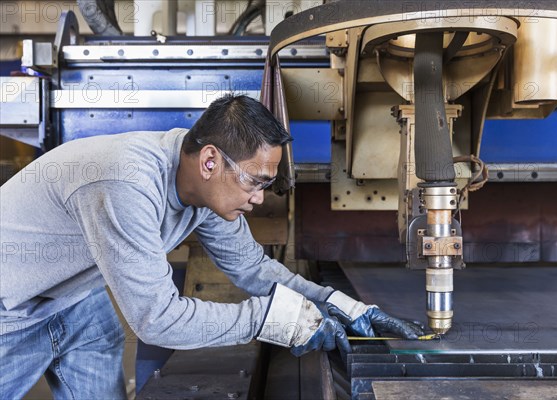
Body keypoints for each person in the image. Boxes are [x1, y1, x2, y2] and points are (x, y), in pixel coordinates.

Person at [0, 94, 424, 398]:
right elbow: (157, 320)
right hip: (8, 311)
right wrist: (270, 321)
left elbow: (252, 269)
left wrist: (342, 305)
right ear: (209, 161)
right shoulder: (125, 184)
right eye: (255, 182)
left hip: (78, 301)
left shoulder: (202, 190)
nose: (259, 198)